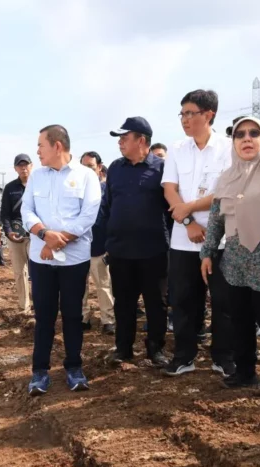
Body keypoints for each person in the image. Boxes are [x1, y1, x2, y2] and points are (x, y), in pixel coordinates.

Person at [201, 116, 260, 397]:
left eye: (254, 133)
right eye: (240, 135)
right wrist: (207, 252)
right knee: (239, 320)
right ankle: (244, 372)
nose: (247, 139)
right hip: (235, 264)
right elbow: (216, 220)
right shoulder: (227, 178)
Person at [161, 89, 235, 378]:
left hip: (220, 240)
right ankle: (184, 356)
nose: (185, 119)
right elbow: (170, 189)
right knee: (182, 301)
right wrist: (189, 221)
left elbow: (226, 192)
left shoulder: (228, 148)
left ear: (209, 115)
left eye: (190, 113)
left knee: (223, 302)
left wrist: (189, 207)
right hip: (183, 240)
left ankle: (223, 357)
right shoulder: (177, 149)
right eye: (182, 114)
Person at [23, 124, 101, 395]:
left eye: (40, 145)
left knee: (72, 315)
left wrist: (57, 241)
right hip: (41, 260)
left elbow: (88, 216)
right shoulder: (36, 176)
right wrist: (45, 235)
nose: (37, 151)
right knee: (44, 316)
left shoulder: (86, 176)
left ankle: (74, 367)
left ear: (57, 146)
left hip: (74, 260)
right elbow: (26, 211)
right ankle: (39, 372)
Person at [103, 117, 171, 367]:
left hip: (154, 251)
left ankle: (156, 349)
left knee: (156, 304)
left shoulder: (162, 168)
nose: (120, 142)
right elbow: (108, 205)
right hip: (121, 251)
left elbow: (171, 209)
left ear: (141, 140)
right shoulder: (115, 168)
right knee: (124, 303)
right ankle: (123, 349)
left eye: (124, 138)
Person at [79, 151, 115, 335]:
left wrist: (110, 246)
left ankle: (108, 319)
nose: (87, 170)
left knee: (104, 285)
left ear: (99, 168)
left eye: (91, 167)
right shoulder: (75, 191)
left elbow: (113, 218)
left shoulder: (107, 190)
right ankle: (83, 317)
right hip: (78, 248)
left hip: (99, 247)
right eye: (83, 167)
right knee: (79, 287)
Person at [0, 154, 34, 314]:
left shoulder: (39, 184)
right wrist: (8, 232)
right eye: (20, 165)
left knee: (40, 271)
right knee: (20, 272)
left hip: (36, 234)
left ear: (31, 166)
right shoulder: (10, 188)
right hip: (16, 235)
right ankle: (24, 306)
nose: (23, 168)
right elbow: (5, 213)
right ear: (15, 168)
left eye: (26, 164)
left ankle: (41, 303)